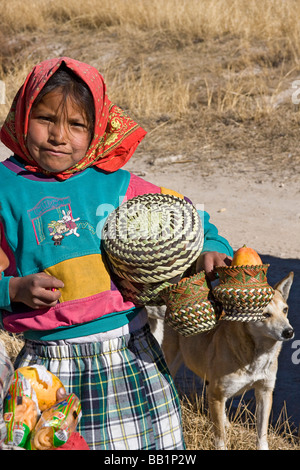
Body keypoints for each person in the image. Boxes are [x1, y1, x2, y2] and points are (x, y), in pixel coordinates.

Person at [0, 57, 233, 450]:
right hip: (50, 369)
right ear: (22, 115)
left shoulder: (117, 184)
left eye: (76, 125)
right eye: (45, 119)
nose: (59, 136)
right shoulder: (5, 188)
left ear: (96, 130)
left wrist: (211, 246)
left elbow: (188, 217)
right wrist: (13, 289)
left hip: (131, 355)